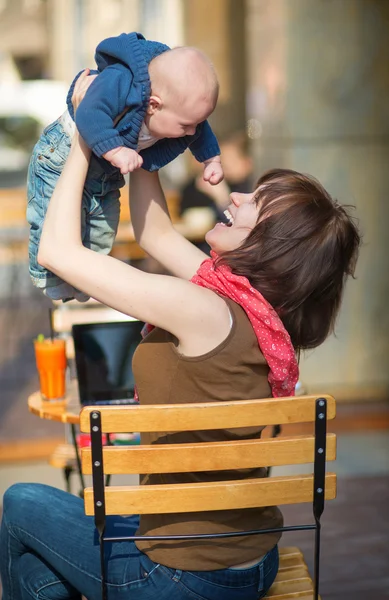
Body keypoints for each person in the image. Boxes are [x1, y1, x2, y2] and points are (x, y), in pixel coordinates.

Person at [1, 72, 360, 600]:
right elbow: (154, 233)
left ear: (268, 248)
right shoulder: (260, 313)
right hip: (246, 559)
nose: (233, 197)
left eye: (250, 206)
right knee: (40, 576)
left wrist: (87, 129)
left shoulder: (205, 310)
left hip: (181, 576)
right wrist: (153, 129)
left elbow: (58, 254)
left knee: (20, 503)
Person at [27, 32, 222, 302]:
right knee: (48, 214)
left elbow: (200, 130)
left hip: (104, 166)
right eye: (186, 125)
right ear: (154, 104)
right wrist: (114, 147)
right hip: (61, 153)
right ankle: (48, 277)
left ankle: (85, 281)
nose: (192, 132)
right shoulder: (121, 83)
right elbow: (89, 114)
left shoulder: (177, 111)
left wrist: (210, 157)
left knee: (102, 225)